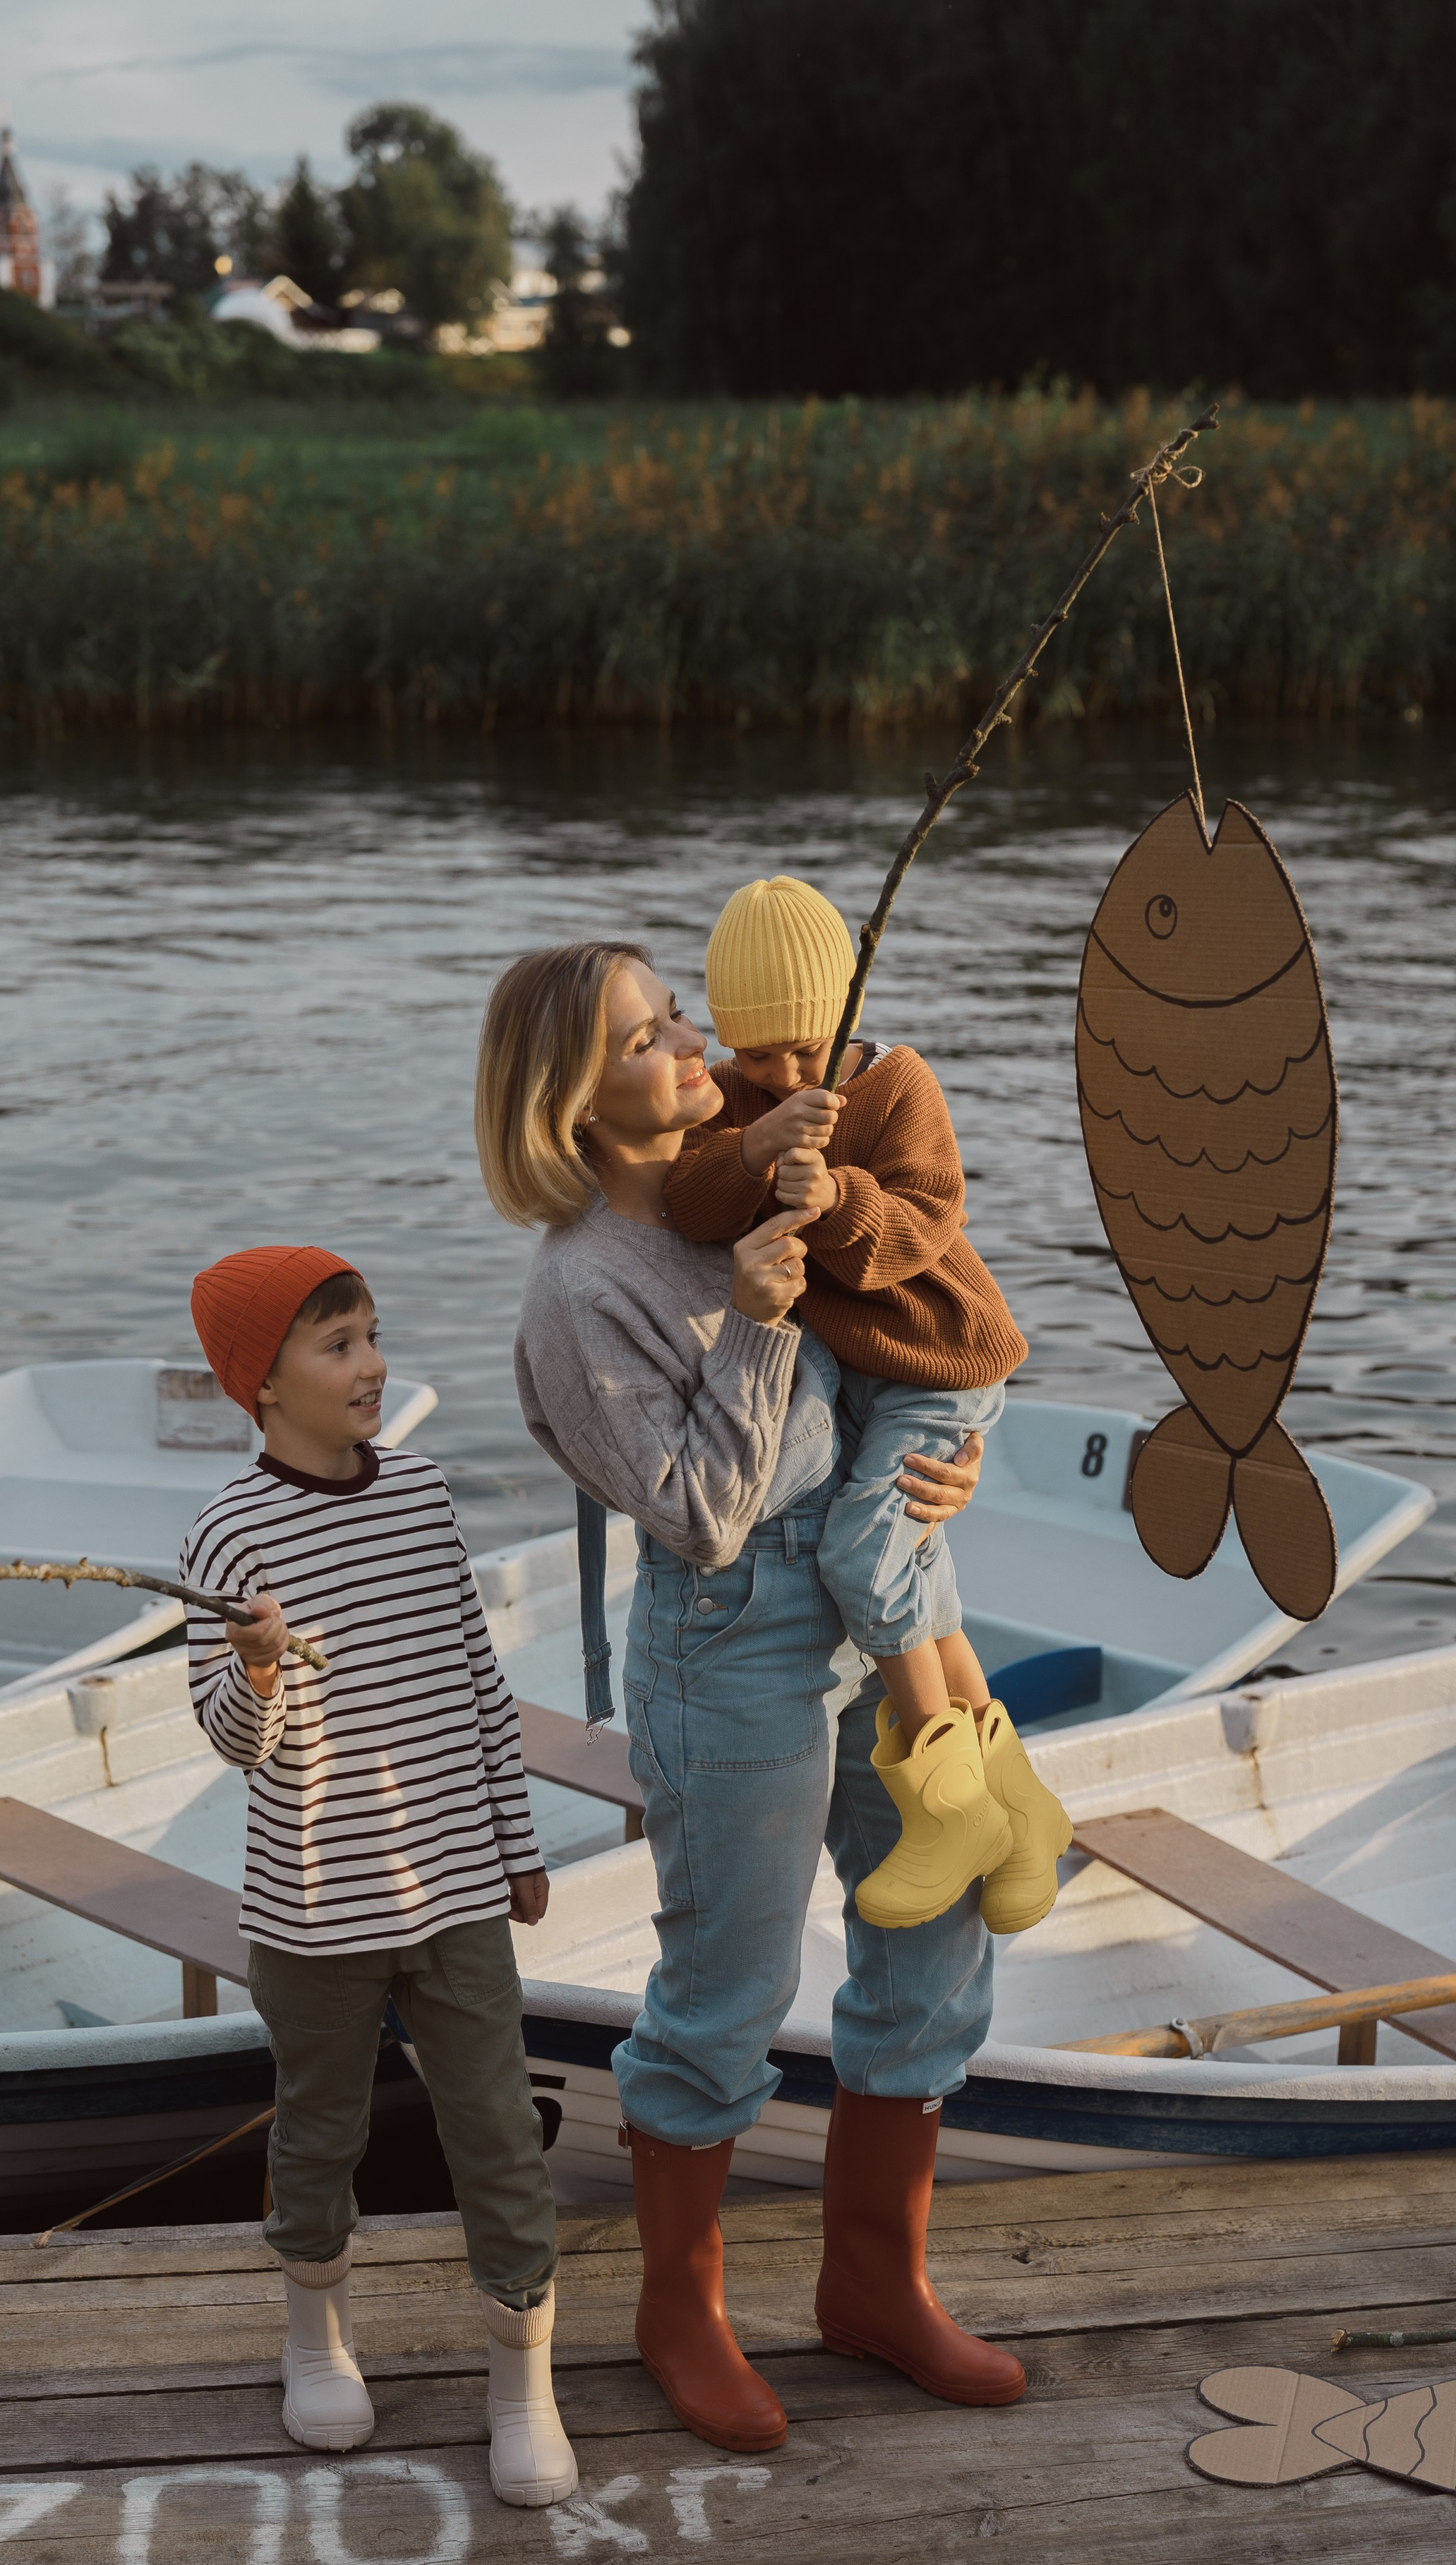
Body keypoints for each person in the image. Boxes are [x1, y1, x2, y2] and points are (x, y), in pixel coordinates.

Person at [475, 939, 1027, 2460]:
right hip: (729, 1635)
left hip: (875, 1584)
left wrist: (946, 1456)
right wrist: (759, 1312)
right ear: (572, 1108)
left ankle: (873, 2288)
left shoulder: (750, 1165)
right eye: (644, 1040)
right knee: (724, 1991)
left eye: (674, 1017)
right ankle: (679, 2318)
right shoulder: (579, 1294)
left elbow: (902, 1330)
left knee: (936, 1923)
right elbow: (701, 1516)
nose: (688, 1044)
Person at [180, 1242, 577, 2511]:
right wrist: (259, 1667)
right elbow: (241, 1746)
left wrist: (517, 1846)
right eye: (338, 1346)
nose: (373, 1366)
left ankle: (524, 2395)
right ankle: (317, 2344)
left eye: (372, 1335)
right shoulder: (227, 1533)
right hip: (311, 1906)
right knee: (320, 2136)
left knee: (502, 2139)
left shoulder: (421, 1495)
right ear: (263, 1384)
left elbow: (477, 1684)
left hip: (457, 1890)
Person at [661, 875, 1072, 1936]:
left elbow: (921, 1232)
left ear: (847, 1012)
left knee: (865, 1557)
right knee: (915, 1561)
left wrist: (835, 1194)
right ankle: (1014, 1801)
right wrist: (755, 1144)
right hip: (869, 1379)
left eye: (806, 1047)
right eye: (756, 1055)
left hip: (939, 1360)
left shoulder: (895, 1087)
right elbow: (689, 1202)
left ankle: (949, 1809)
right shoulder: (738, 1098)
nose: (785, 1073)